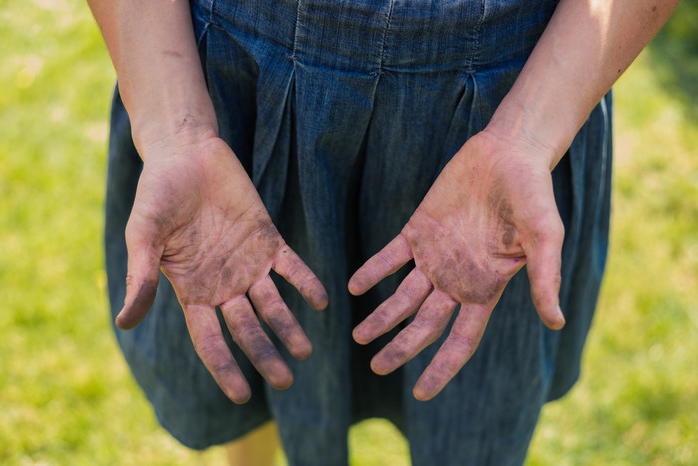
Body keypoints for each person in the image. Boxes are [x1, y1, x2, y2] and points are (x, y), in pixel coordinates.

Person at [87, 0, 678, 464]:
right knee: (247, 357)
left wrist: (527, 137)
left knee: (467, 422)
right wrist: (175, 129)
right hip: (227, 85)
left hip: (522, 92)